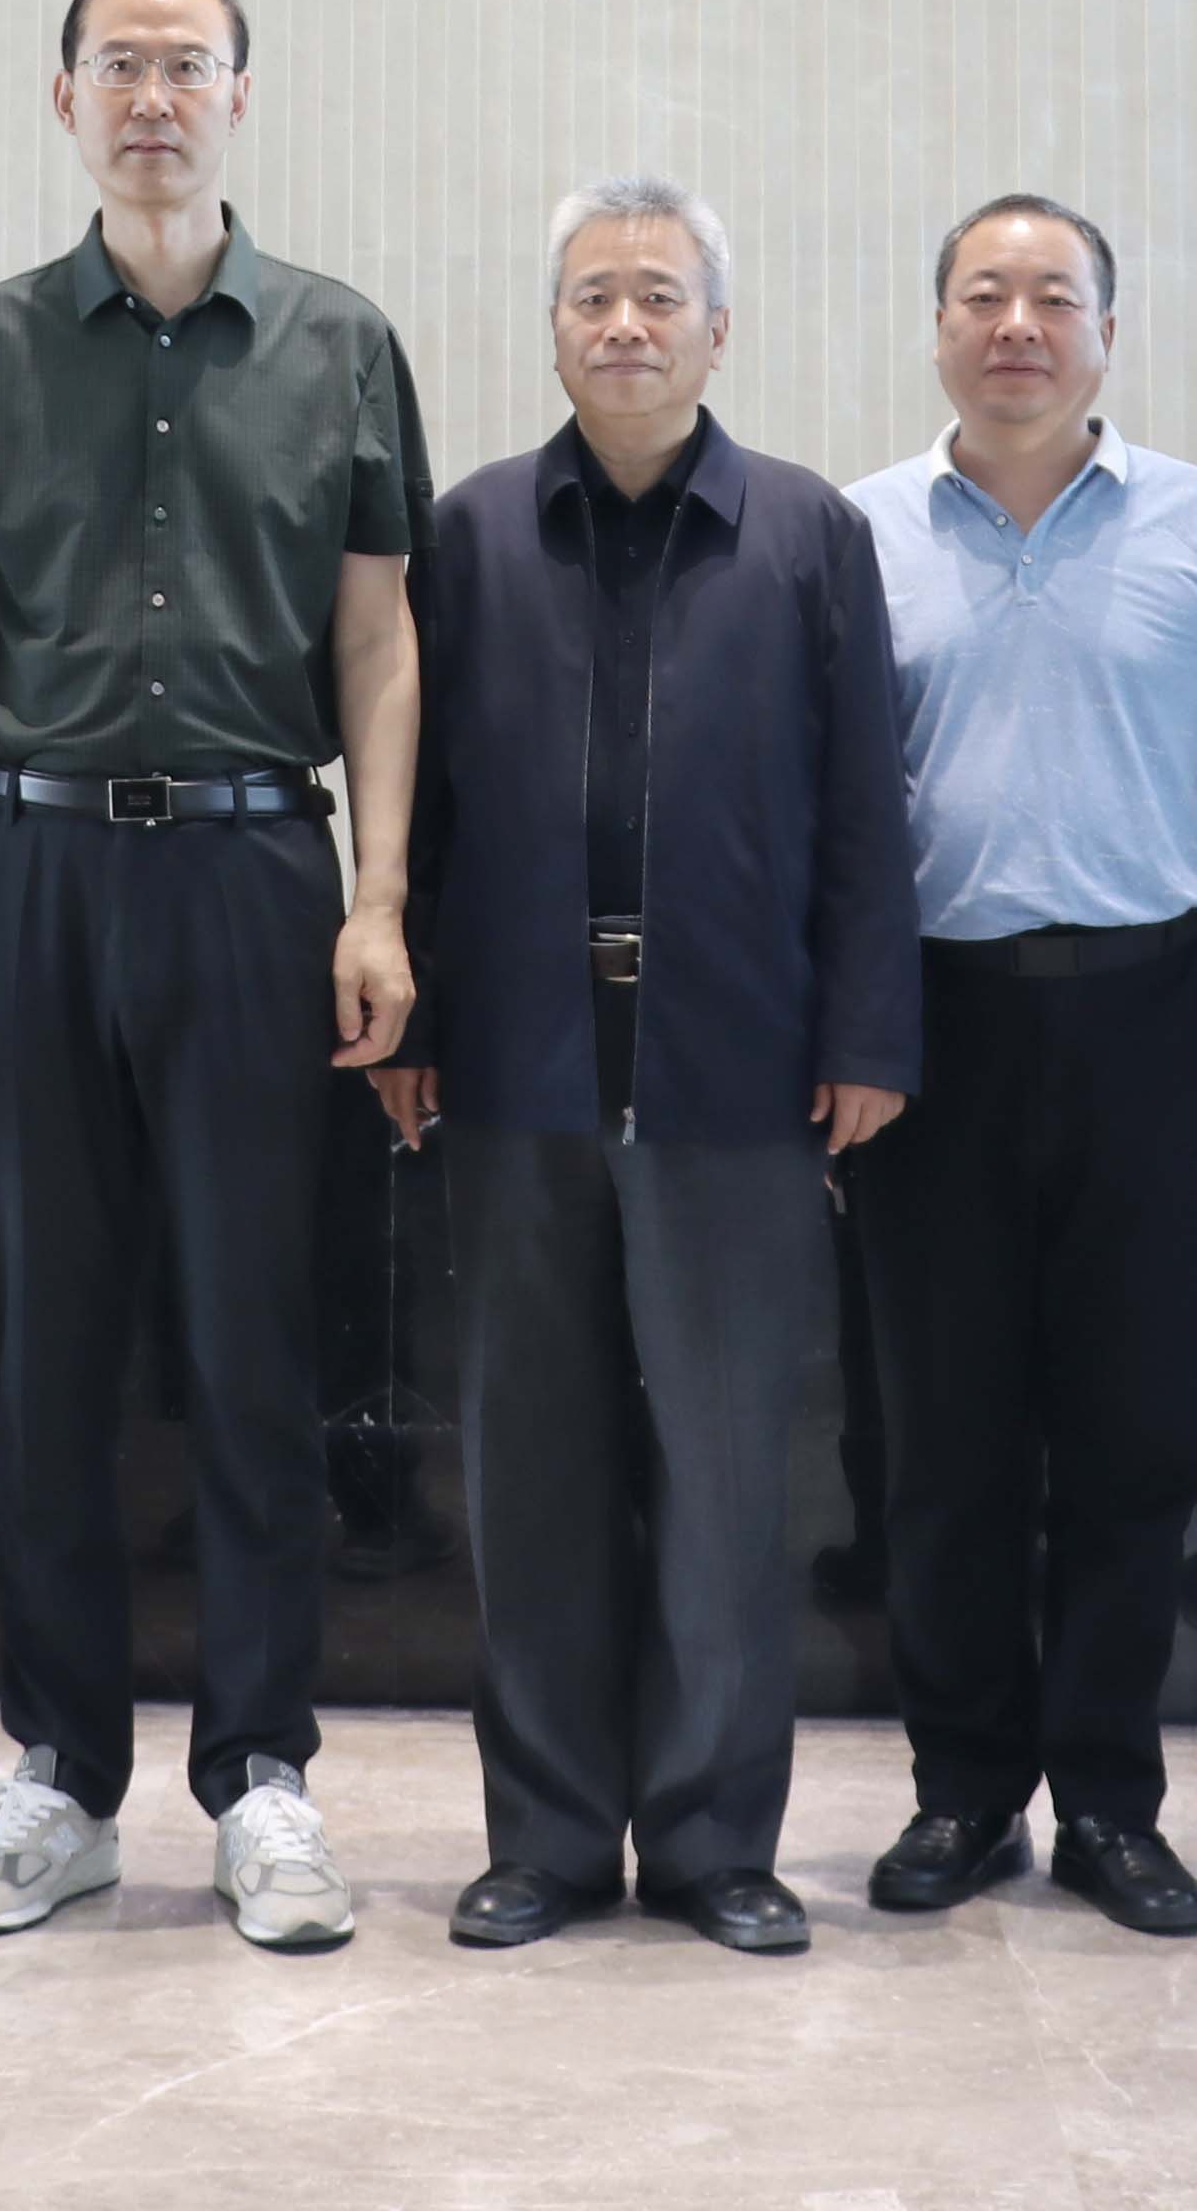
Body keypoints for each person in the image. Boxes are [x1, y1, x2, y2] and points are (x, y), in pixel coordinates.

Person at [0, 0, 427, 1953]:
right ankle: (60, 1776)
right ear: (66, 99)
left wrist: (378, 894)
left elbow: (379, 636)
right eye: (120, 65)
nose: (154, 98)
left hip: (256, 870)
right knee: (48, 1342)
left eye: (188, 65)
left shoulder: (340, 341)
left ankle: (262, 1774)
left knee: (252, 1338)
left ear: (240, 97)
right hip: (27, 877)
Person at [391, 176, 919, 1957]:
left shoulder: (806, 533)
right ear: (553, 328)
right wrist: (413, 1025)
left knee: (728, 1476)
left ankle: (710, 1842)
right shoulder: (472, 532)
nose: (626, 323)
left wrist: (866, 1034)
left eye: (660, 296)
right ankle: (545, 1836)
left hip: (738, 1068)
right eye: (594, 295)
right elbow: (420, 810)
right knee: (530, 1472)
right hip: (516, 1063)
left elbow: (865, 804)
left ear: (718, 330)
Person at [840, 194, 1197, 1941]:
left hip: (1152, 1014)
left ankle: (1113, 1800)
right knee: (944, 1440)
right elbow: (834, 808)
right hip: (934, 1031)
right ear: (938, 327)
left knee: (1134, 1433)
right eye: (985, 294)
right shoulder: (859, 534)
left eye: (1056, 297)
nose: (1018, 325)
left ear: (1107, 334)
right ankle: (962, 1790)